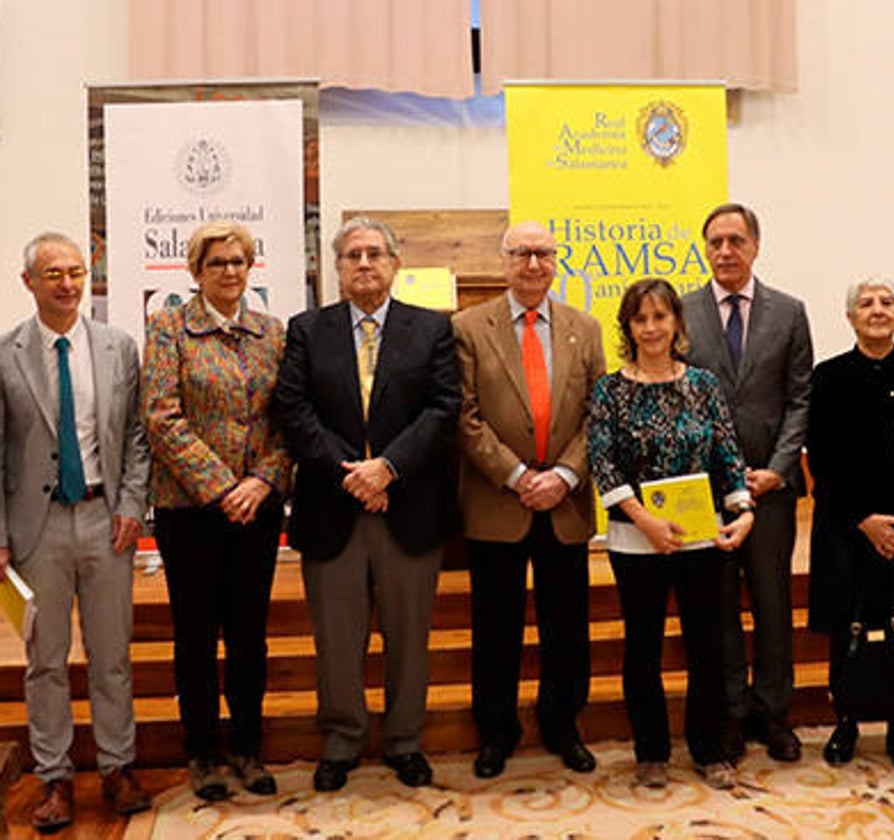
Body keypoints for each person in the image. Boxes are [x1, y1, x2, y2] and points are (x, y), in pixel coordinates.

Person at [273, 216, 461, 792]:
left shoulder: (432, 330)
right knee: (337, 638)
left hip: (408, 508)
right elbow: (293, 408)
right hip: (334, 508)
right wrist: (349, 473)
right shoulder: (308, 329)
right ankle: (341, 739)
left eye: (374, 254)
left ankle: (405, 741)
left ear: (394, 263)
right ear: (336, 267)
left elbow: (443, 407)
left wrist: (388, 468)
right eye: (351, 255)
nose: (363, 264)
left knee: (409, 636)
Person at [0, 232, 151, 830]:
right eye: (53, 273)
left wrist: (132, 506)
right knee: (45, 660)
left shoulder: (117, 348)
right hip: (35, 531)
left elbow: (137, 438)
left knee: (112, 656)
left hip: (103, 519)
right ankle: (55, 778)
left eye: (76, 271)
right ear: (28, 282)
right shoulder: (6, 353)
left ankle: (118, 768)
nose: (67, 283)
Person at [141, 221, 291, 800]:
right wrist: (222, 486)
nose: (230, 271)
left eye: (238, 261)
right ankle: (203, 751)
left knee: (249, 635)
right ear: (195, 271)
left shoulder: (272, 333)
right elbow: (161, 415)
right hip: (191, 511)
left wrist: (260, 483)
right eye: (217, 262)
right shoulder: (169, 328)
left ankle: (248, 749)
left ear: (251, 268)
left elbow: (288, 419)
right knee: (197, 635)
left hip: (257, 510)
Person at [588, 278, 755, 791]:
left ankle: (708, 749)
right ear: (628, 328)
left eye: (660, 317)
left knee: (708, 648)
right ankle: (651, 752)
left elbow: (727, 453)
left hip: (702, 539)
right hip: (636, 541)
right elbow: (603, 462)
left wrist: (743, 511)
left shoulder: (703, 385)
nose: (651, 328)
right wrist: (646, 521)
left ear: (677, 324)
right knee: (643, 648)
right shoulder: (610, 390)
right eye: (641, 319)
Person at [453, 221, 606, 778]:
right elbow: (464, 418)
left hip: (564, 504)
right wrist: (518, 476)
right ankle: (496, 731)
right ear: (504, 261)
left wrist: (564, 475)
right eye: (521, 253)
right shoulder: (468, 328)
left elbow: (598, 414)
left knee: (567, 624)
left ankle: (563, 723)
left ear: (555, 260)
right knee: (496, 625)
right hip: (499, 504)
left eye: (543, 253)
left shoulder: (584, 329)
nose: (533, 264)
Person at [682, 203, 811, 763]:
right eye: (715, 242)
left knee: (772, 602)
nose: (725, 251)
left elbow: (800, 397)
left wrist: (779, 469)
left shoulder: (789, 311)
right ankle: (731, 712)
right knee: (718, 606)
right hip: (705, 491)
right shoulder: (681, 311)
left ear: (755, 245)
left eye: (735, 240)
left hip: (770, 489)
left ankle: (774, 712)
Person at [807, 279, 894, 775]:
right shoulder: (827, 377)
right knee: (849, 629)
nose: (877, 310)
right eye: (866, 303)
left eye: (886, 303)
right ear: (850, 318)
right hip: (849, 530)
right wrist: (864, 521)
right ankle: (845, 721)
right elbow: (822, 459)